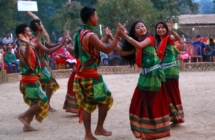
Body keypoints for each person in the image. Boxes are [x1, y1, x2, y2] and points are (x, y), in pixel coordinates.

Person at [73, 6, 124, 140]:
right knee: (105, 100)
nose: (97, 18)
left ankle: (88, 134)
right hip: (92, 77)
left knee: (87, 104)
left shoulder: (80, 33)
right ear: (91, 17)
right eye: (96, 16)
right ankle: (99, 128)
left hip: (81, 75)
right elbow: (106, 50)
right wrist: (117, 37)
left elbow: (92, 48)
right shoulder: (90, 34)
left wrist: (107, 37)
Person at [115, 21, 170, 140]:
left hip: (155, 76)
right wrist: (114, 38)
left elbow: (140, 46)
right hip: (144, 77)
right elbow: (121, 52)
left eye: (143, 26)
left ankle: (151, 133)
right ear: (134, 33)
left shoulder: (149, 38)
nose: (142, 28)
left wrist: (124, 35)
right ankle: (146, 131)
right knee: (137, 103)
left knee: (151, 104)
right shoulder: (136, 44)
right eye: (138, 27)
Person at [16, 23, 65, 131]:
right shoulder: (23, 46)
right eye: (28, 31)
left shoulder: (28, 43)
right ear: (22, 34)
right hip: (29, 80)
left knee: (35, 102)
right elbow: (26, 54)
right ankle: (23, 116)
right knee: (43, 100)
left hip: (31, 78)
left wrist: (40, 34)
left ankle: (27, 125)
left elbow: (35, 42)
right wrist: (29, 46)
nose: (30, 33)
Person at [155, 20, 185, 123]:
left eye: (163, 27)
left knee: (171, 92)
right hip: (162, 71)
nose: (161, 29)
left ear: (166, 29)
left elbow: (177, 38)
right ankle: (174, 115)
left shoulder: (169, 38)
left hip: (171, 71)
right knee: (165, 93)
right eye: (158, 27)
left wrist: (172, 30)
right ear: (156, 30)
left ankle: (176, 115)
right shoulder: (157, 43)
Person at [30, 19, 62, 112]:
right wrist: (61, 45)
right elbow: (47, 51)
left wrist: (60, 43)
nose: (42, 26)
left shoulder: (40, 37)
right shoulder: (33, 38)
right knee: (49, 84)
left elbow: (49, 46)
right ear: (37, 26)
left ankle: (44, 104)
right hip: (37, 67)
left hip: (42, 66)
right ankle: (44, 105)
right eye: (41, 24)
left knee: (49, 84)